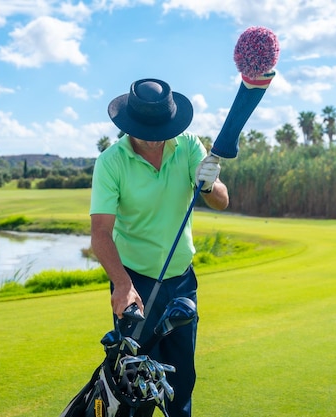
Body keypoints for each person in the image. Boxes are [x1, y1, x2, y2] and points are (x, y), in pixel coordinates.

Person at [90, 78, 229, 417]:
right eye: (145, 130)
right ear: (129, 124)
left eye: (161, 129)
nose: (154, 138)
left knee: (181, 381)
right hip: (135, 284)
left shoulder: (188, 146)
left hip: (182, 281)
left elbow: (221, 201)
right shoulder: (111, 161)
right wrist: (122, 285)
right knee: (136, 386)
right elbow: (101, 234)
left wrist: (210, 184)